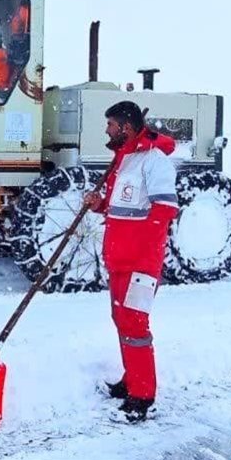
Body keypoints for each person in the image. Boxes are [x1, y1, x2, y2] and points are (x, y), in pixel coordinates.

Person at [83, 100, 179, 423]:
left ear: (126, 126)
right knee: (122, 320)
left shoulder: (155, 161)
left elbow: (164, 210)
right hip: (119, 259)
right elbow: (120, 206)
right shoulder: (124, 160)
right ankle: (131, 379)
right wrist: (98, 204)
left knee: (135, 325)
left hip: (141, 264)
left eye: (111, 125)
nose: (107, 130)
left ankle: (142, 396)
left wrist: (139, 248)